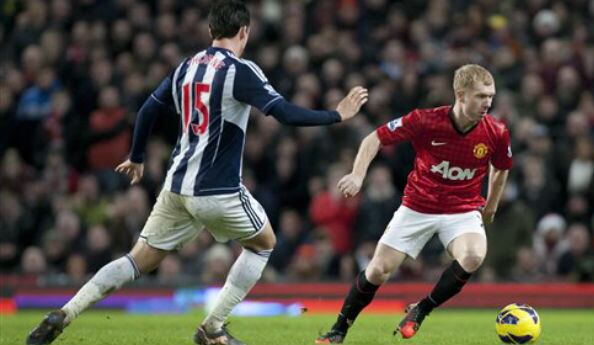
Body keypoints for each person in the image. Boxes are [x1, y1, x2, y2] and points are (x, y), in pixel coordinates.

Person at [26, 1, 368, 345]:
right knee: (264, 244)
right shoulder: (242, 70)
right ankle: (212, 328)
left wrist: (138, 155)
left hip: (175, 187)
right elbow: (285, 114)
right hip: (217, 189)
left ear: (209, 31)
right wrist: (335, 115)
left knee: (136, 259)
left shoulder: (186, 67)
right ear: (244, 32)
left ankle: (66, 312)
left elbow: (147, 109)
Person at [316, 64, 511, 344]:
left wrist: (491, 204)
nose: (488, 103)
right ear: (460, 94)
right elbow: (374, 138)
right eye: (481, 96)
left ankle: (421, 309)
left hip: (462, 209)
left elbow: (501, 166)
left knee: (472, 256)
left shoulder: (496, 132)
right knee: (378, 270)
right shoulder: (425, 121)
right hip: (417, 206)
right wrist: (358, 175)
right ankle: (338, 330)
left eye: (490, 96)